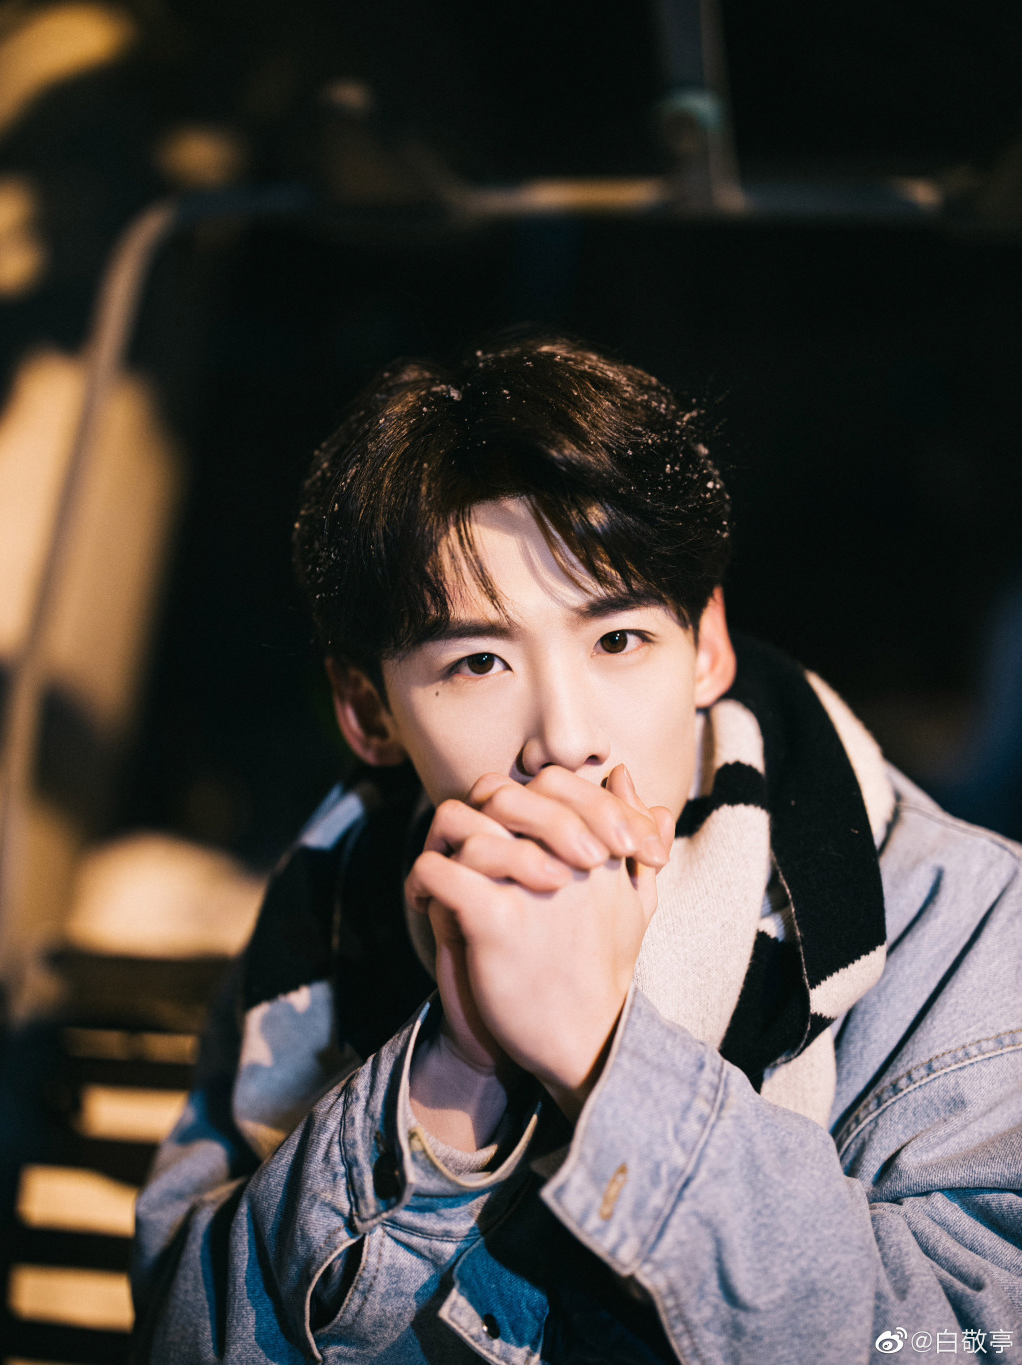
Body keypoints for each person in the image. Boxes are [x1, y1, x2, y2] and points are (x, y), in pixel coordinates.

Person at [131, 333, 1022, 1364]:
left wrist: (608, 1054)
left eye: (618, 641)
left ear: (707, 647)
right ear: (369, 712)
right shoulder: (328, 910)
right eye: (478, 662)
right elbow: (183, 1337)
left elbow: (969, 1336)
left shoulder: (964, 920)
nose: (565, 738)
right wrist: (454, 1072)